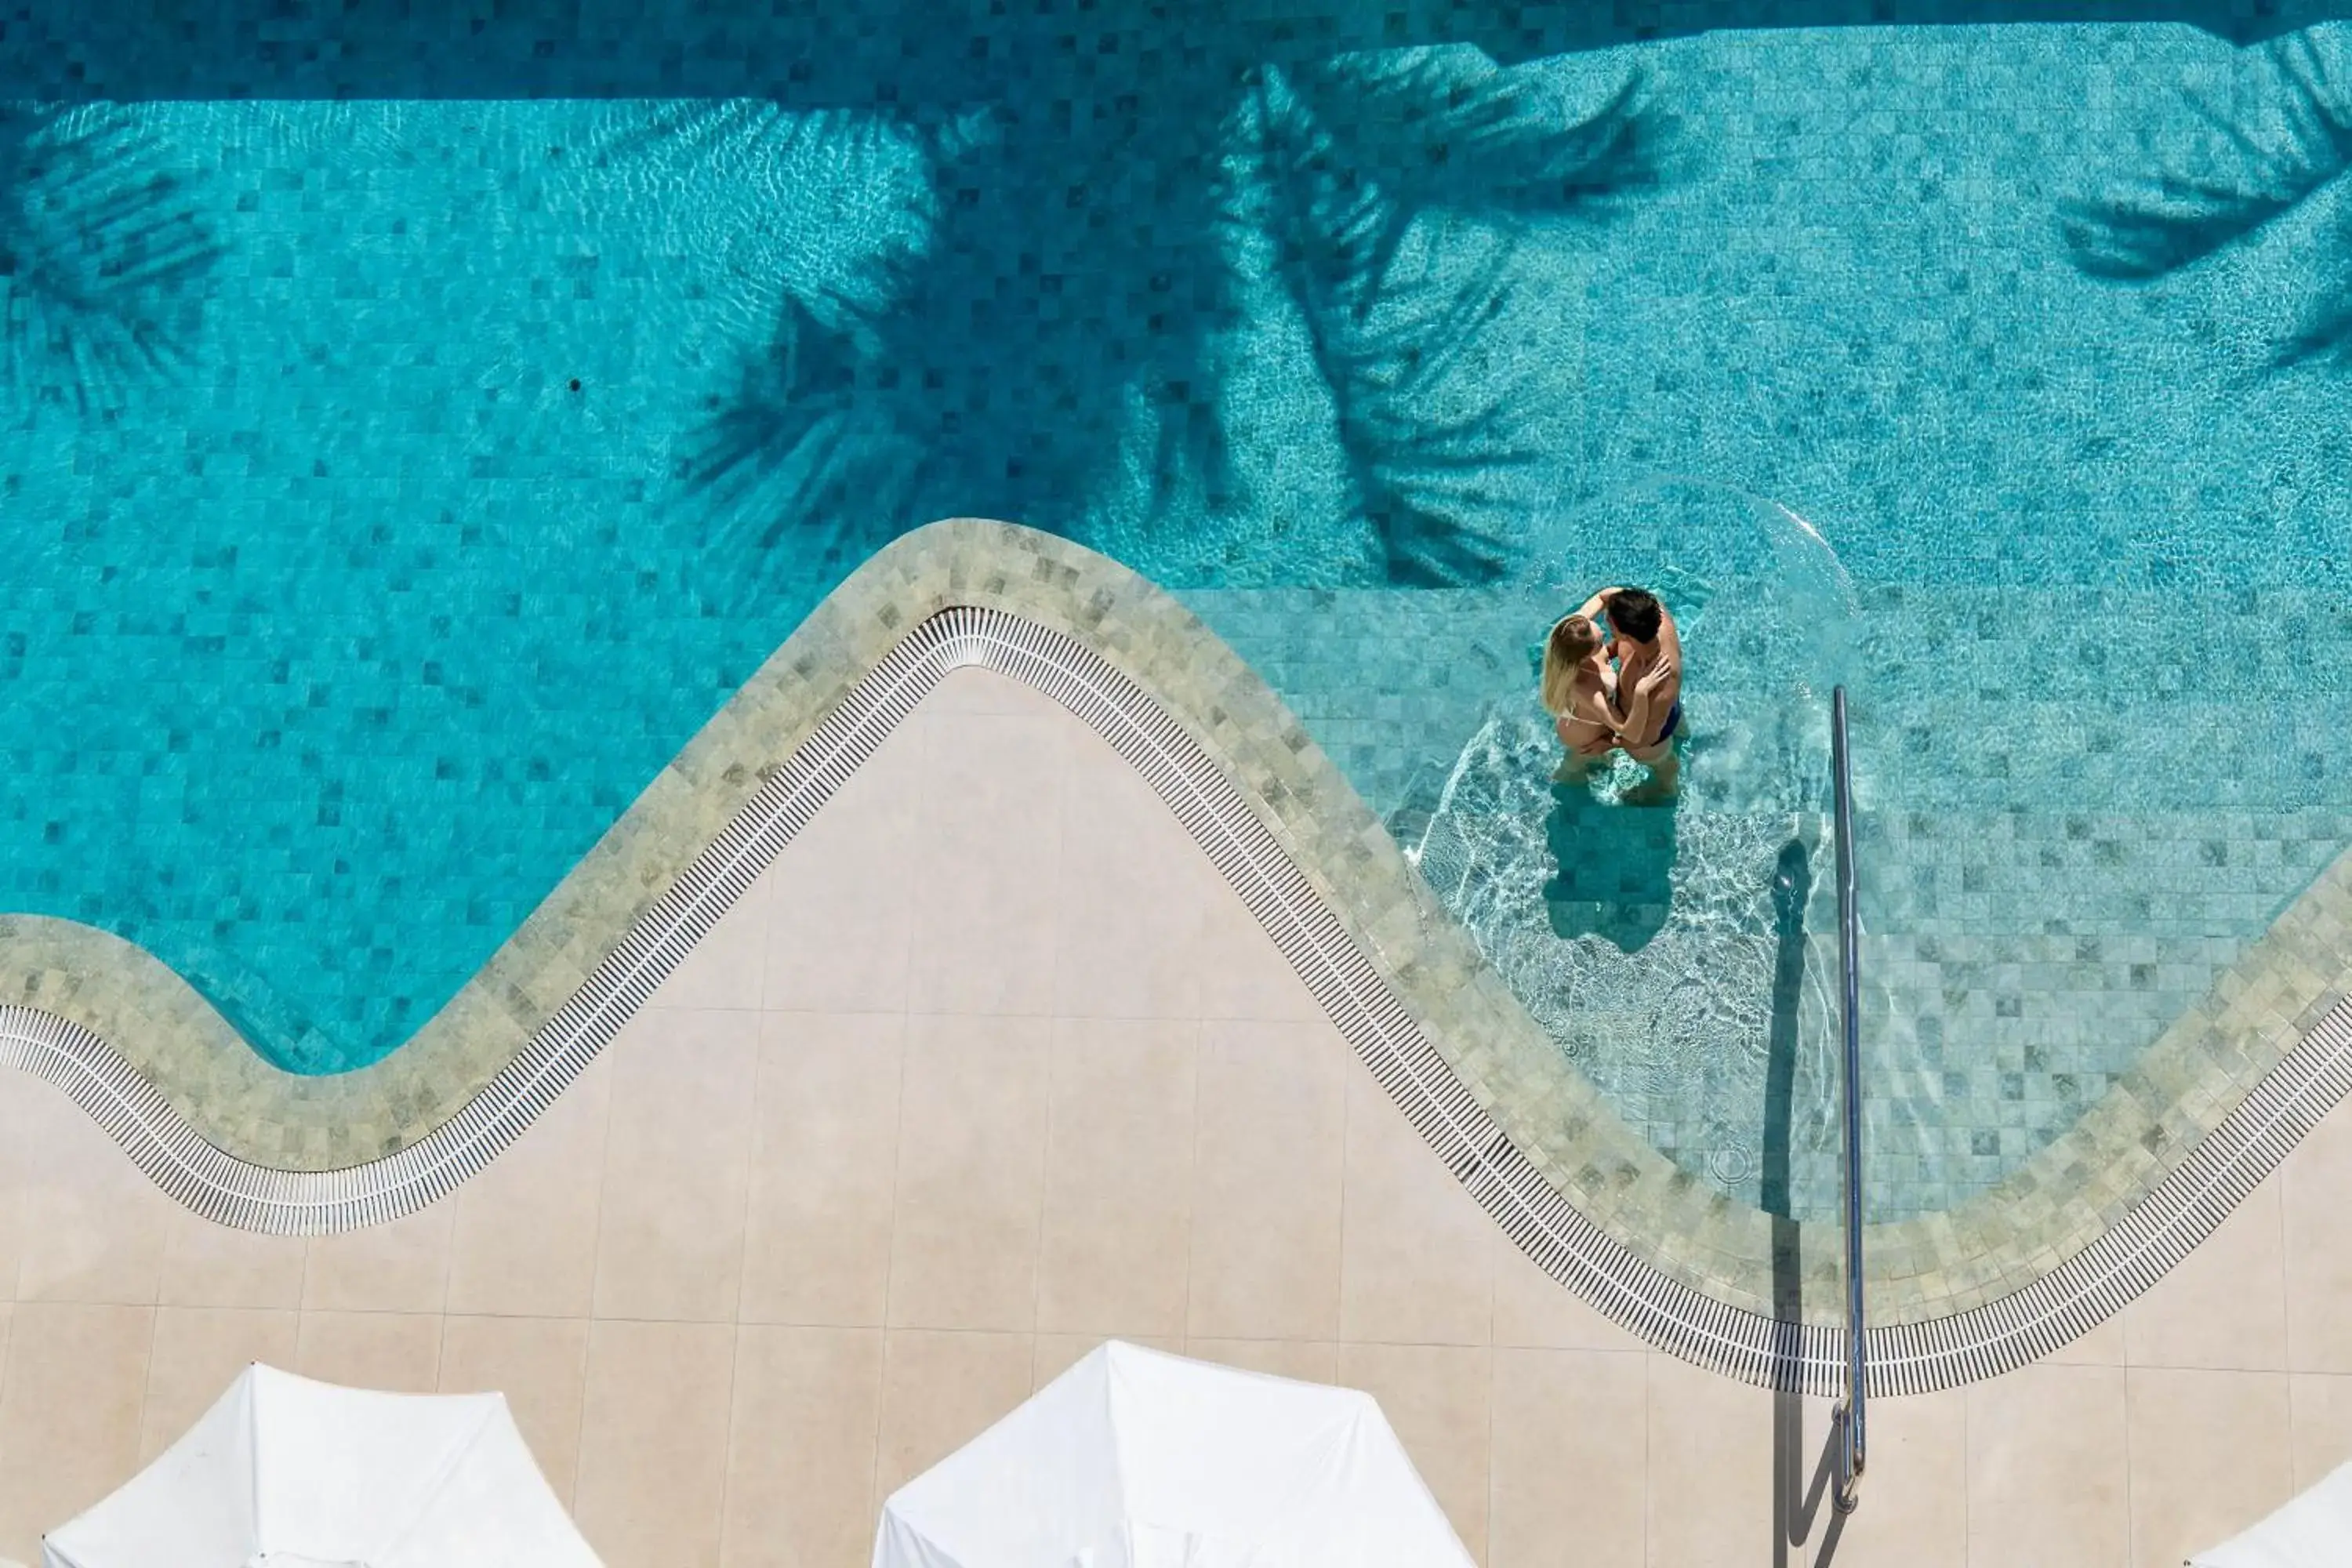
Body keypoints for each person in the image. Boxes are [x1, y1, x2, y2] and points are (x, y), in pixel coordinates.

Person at [1566, 585, 1683, 802]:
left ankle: (1669, 789)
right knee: (1680, 727)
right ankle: (1683, 733)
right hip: (1667, 707)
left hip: (1650, 737)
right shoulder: (1651, 612)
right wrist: (1574, 630)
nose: (1606, 620)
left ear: (1625, 633)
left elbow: (1645, 738)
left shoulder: (1660, 682)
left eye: (1610, 624)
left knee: (1663, 763)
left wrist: (1610, 743)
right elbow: (1604, 595)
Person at [1537, 612, 1621, 784]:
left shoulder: (1573, 634)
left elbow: (1601, 597)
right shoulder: (1587, 690)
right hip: (1584, 742)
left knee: (1599, 763)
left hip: (1578, 724)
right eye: (1600, 641)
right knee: (1571, 775)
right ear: (1586, 655)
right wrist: (1613, 743)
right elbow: (1626, 728)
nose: (1604, 634)